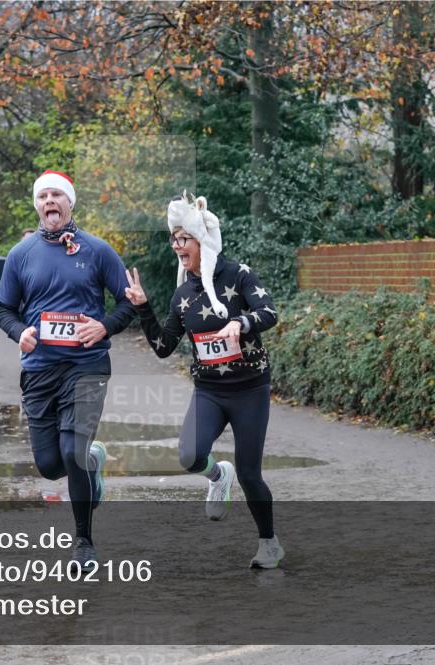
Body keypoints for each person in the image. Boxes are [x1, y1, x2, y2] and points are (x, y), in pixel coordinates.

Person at [122, 193, 284, 569]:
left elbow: (269, 312)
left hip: (249, 390)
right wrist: (143, 307)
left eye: (184, 238)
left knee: (250, 474)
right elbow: (164, 347)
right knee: (189, 455)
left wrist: (240, 322)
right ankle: (216, 475)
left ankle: (269, 543)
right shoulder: (183, 295)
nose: (177, 246)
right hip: (210, 391)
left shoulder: (237, 275)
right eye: (173, 239)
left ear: (202, 240)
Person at [0, 170, 135, 568]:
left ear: (70, 202)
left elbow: (129, 302)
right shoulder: (20, 255)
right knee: (50, 465)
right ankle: (93, 461)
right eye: (43, 196)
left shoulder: (97, 250)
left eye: (57, 195)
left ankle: (84, 543)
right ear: (37, 205)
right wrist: (19, 332)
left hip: (87, 366)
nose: (50, 201)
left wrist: (106, 325)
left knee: (72, 453)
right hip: (39, 369)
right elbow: (3, 309)